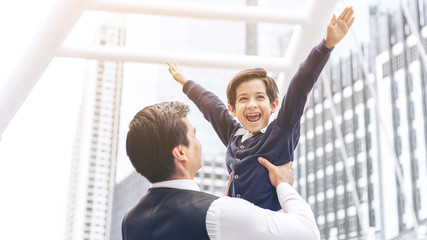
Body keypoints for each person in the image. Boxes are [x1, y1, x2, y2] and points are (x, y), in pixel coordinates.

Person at [167, 7, 355, 211]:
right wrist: (185, 82)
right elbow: (211, 105)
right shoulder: (234, 134)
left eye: (259, 97)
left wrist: (326, 45)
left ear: (273, 105)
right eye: (243, 99)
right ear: (233, 109)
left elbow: (300, 84)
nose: (252, 104)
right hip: (234, 226)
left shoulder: (281, 131)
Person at [122, 101, 320, 240]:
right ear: (181, 152)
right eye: (194, 135)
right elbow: (307, 233)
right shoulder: (218, 212)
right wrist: (283, 184)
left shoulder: (130, 220)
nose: (199, 143)